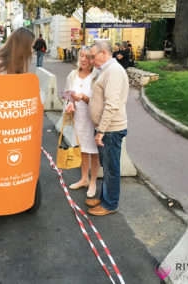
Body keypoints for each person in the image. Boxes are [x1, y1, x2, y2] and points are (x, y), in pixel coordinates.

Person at [86, 40, 129, 216]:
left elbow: (112, 104)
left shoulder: (114, 71)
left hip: (110, 129)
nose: (90, 59)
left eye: (92, 55)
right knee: (108, 167)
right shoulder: (106, 70)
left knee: (111, 169)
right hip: (106, 128)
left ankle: (110, 204)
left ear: (104, 53)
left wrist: (101, 130)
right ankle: (105, 198)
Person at [63, 46, 100, 198]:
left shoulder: (97, 76)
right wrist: (69, 104)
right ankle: (84, 179)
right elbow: (66, 95)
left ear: (92, 59)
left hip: (92, 120)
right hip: (78, 118)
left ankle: (93, 182)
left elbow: (100, 102)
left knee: (94, 152)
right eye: (81, 56)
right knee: (83, 149)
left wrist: (84, 98)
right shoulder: (72, 75)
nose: (83, 59)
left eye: (87, 56)